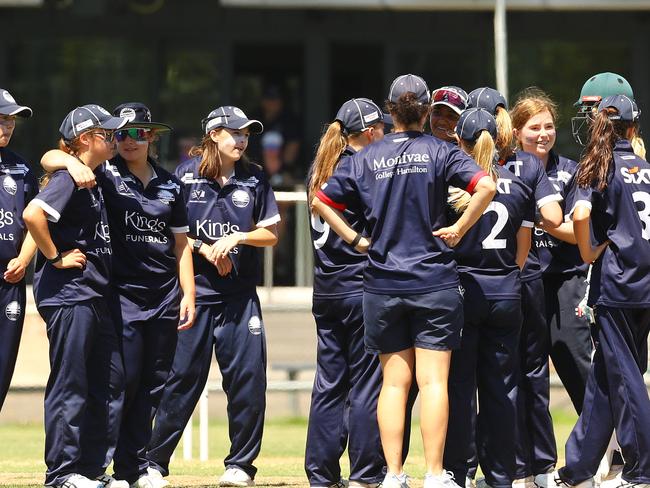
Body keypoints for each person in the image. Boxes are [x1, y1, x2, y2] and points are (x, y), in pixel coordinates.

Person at [312, 74, 496, 488]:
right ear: (428, 111)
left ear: (390, 110)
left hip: (381, 283)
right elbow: (486, 185)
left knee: (393, 384)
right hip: (434, 281)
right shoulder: (439, 149)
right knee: (434, 382)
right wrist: (461, 227)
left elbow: (321, 200)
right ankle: (434, 473)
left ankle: (393, 474)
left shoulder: (364, 157)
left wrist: (357, 240)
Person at [39, 102, 196, 488]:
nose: (127, 139)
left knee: (151, 384)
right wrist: (70, 163)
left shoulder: (170, 184)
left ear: (152, 136)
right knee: (113, 385)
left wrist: (188, 293)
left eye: (138, 132)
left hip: (162, 296)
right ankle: (86, 470)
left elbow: (182, 245)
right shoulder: (103, 172)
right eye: (119, 132)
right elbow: (53, 156)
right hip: (115, 295)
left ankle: (135, 468)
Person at [147, 106, 280, 488]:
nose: (241, 140)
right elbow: (171, 233)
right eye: (234, 133)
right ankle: (154, 463)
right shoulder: (183, 177)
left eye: (246, 135)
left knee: (248, 382)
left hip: (240, 298)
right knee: (181, 380)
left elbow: (270, 233)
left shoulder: (255, 178)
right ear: (213, 136)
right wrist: (207, 248)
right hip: (196, 296)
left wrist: (238, 237)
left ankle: (240, 465)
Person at [541, 95, 650, 488]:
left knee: (625, 378)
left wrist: (587, 251)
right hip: (643, 283)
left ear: (599, 127)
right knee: (606, 378)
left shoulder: (598, 165)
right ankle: (579, 470)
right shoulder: (646, 167)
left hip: (618, 285)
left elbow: (582, 214)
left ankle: (641, 470)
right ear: (633, 128)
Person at [23, 104, 128, 488]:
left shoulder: (92, 174)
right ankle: (62, 473)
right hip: (71, 295)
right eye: (109, 134)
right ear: (86, 139)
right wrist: (55, 256)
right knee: (71, 383)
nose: (116, 139)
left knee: (109, 381)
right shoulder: (70, 177)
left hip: (94, 294)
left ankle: (91, 470)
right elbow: (33, 215)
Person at [467, 86, 563, 488]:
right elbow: (552, 216)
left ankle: (472, 468)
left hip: (481, 283)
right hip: (518, 280)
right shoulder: (523, 167)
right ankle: (526, 468)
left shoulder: (461, 163)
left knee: (478, 380)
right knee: (517, 378)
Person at [443, 107, 534, 488]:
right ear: (498, 143)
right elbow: (522, 251)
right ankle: (500, 476)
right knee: (501, 390)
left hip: (465, 291)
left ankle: (457, 473)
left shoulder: (452, 188)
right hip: (506, 291)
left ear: (460, 143)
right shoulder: (520, 185)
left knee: (460, 387)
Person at [508, 88, 592, 486]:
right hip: (523, 283)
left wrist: (545, 223)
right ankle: (531, 464)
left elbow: (581, 235)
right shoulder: (505, 169)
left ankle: (604, 453)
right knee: (527, 376)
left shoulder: (570, 170)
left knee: (579, 366)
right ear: (515, 130)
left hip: (566, 282)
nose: (543, 134)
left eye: (548, 127)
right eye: (533, 127)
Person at [306, 98, 386, 488]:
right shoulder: (362, 165)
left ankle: (320, 474)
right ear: (370, 131)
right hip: (359, 286)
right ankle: (366, 474)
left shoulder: (320, 167)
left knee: (329, 383)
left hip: (326, 290)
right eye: (381, 128)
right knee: (367, 385)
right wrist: (358, 239)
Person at [0, 88, 37, 412]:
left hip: (9, 280)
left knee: (3, 366)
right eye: (1, 119)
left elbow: (34, 223)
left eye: (10, 120)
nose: (7, 126)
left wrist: (24, 260)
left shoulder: (21, 169)